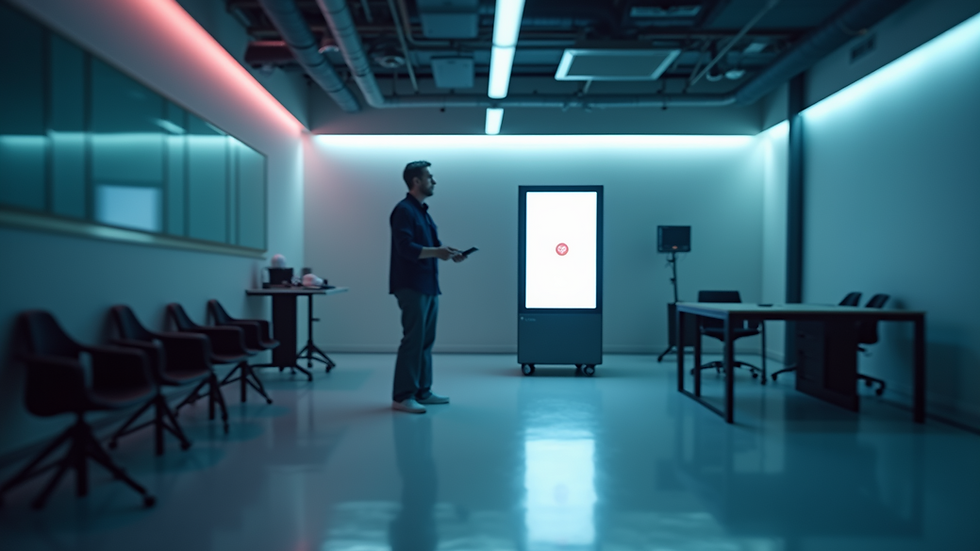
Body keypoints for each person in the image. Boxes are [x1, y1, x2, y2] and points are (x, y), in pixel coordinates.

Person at [389, 160, 466, 414]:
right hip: (411, 285)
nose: (434, 181)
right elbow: (405, 248)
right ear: (416, 181)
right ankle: (403, 396)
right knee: (413, 340)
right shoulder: (403, 210)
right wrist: (437, 251)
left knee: (425, 341)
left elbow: (433, 247)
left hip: (429, 285)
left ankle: (423, 391)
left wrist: (450, 252)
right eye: (429, 177)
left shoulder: (423, 213)